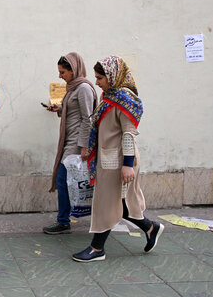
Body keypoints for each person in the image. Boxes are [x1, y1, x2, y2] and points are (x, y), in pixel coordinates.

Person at [72, 55, 164, 262]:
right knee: (118, 204)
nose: (96, 82)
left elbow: (128, 134)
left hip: (119, 162)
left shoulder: (123, 100)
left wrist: (127, 166)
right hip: (109, 160)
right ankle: (151, 228)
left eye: (100, 78)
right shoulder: (110, 97)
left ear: (113, 76)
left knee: (106, 203)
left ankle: (97, 249)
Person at [42, 53, 97, 234]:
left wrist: (84, 146)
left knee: (62, 179)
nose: (60, 76)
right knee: (64, 180)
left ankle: (64, 221)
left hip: (76, 143)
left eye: (63, 72)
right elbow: (73, 111)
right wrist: (59, 109)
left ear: (74, 70)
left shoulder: (83, 89)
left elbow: (88, 118)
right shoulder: (72, 88)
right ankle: (65, 219)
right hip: (68, 140)